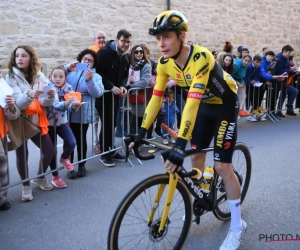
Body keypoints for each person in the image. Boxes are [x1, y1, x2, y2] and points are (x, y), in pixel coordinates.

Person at [129, 10, 247, 250]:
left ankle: (237, 226)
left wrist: (179, 144)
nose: (161, 44)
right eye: (158, 38)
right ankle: (204, 190)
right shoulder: (163, 64)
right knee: (197, 160)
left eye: (167, 37)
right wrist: (141, 133)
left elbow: (191, 103)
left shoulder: (201, 56)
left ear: (182, 36)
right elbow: (156, 99)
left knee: (223, 167)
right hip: (205, 105)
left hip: (225, 105)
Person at [6, 45, 57, 201]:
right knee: (22, 153)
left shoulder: (39, 75)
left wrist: (51, 96)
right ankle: (25, 185)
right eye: (17, 56)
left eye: (23, 56)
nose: (20, 59)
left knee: (49, 151)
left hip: (36, 119)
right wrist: (28, 94)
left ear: (31, 58)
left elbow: (45, 102)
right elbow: (17, 104)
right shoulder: (11, 78)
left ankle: (40, 177)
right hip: (19, 120)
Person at [66, 49, 104, 178]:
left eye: (90, 60)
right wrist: (67, 68)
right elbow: (56, 79)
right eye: (84, 59)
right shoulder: (71, 74)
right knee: (69, 140)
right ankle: (69, 165)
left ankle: (81, 164)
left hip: (83, 113)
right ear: (80, 61)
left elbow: (98, 93)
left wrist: (90, 80)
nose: (87, 62)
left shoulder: (96, 76)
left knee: (81, 139)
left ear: (93, 64)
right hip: (69, 112)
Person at [95, 29, 131, 167]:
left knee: (113, 124)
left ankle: (112, 150)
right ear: (117, 40)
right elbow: (98, 74)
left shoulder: (126, 57)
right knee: (107, 123)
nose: (126, 44)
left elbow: (124, 75)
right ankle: (105, 154)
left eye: (128, 42)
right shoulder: (104, 53)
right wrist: (111, 86)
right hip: (103, 94)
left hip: (116, 95)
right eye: (123, 41)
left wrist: (122, 86)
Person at [46, 66, 80, 188]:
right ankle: (56, 177)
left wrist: (74, 107)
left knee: (71, 142)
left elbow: (70, 106)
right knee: (52, 151)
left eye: (61, 76)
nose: (57, 79)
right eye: (55, 76)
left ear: (65, 78)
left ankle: (64, 157)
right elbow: (55, 105)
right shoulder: (48, 88)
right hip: (48, 124)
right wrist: (67, 104)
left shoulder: (69, 88)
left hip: (62, 122)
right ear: (50, 76)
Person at [0, 81, 21, 210]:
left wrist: (11, 105)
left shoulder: (3, 88)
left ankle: (2, 198)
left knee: (2, 164)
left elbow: (13, 115)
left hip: (1, 132)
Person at [126, 45, 151, 134]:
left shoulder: (146, 66)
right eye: (136, 52)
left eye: (141, 51)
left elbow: (145, 82)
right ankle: (133, 142)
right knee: (130, 123)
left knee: (138, 122)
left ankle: (138, 143)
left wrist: (130, 87)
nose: (139, 53)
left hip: (140, 98)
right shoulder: (129, 64)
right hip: (129, 97)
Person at [89, 31, 106, 154]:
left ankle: (105, 142)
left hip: (107, 91)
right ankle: (96, 144)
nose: (101, 40)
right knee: (95, 120)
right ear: (94, 40)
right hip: (95, 91)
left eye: (103, 38)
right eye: (99, 38)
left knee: (106, 120)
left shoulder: (109, 52)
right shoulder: (90, 53)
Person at [275, 45, 299, 117]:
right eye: (289, 52)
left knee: (289, 92)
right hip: (278, 80)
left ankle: (284, 109)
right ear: (284, 51)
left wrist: (293, 71)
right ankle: (284, 109)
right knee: (292, 91)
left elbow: (287, 69)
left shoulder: (286, 58)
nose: (290, 54)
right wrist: (290, 70)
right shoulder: (278, 59)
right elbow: (279, 71)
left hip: (284, 80)